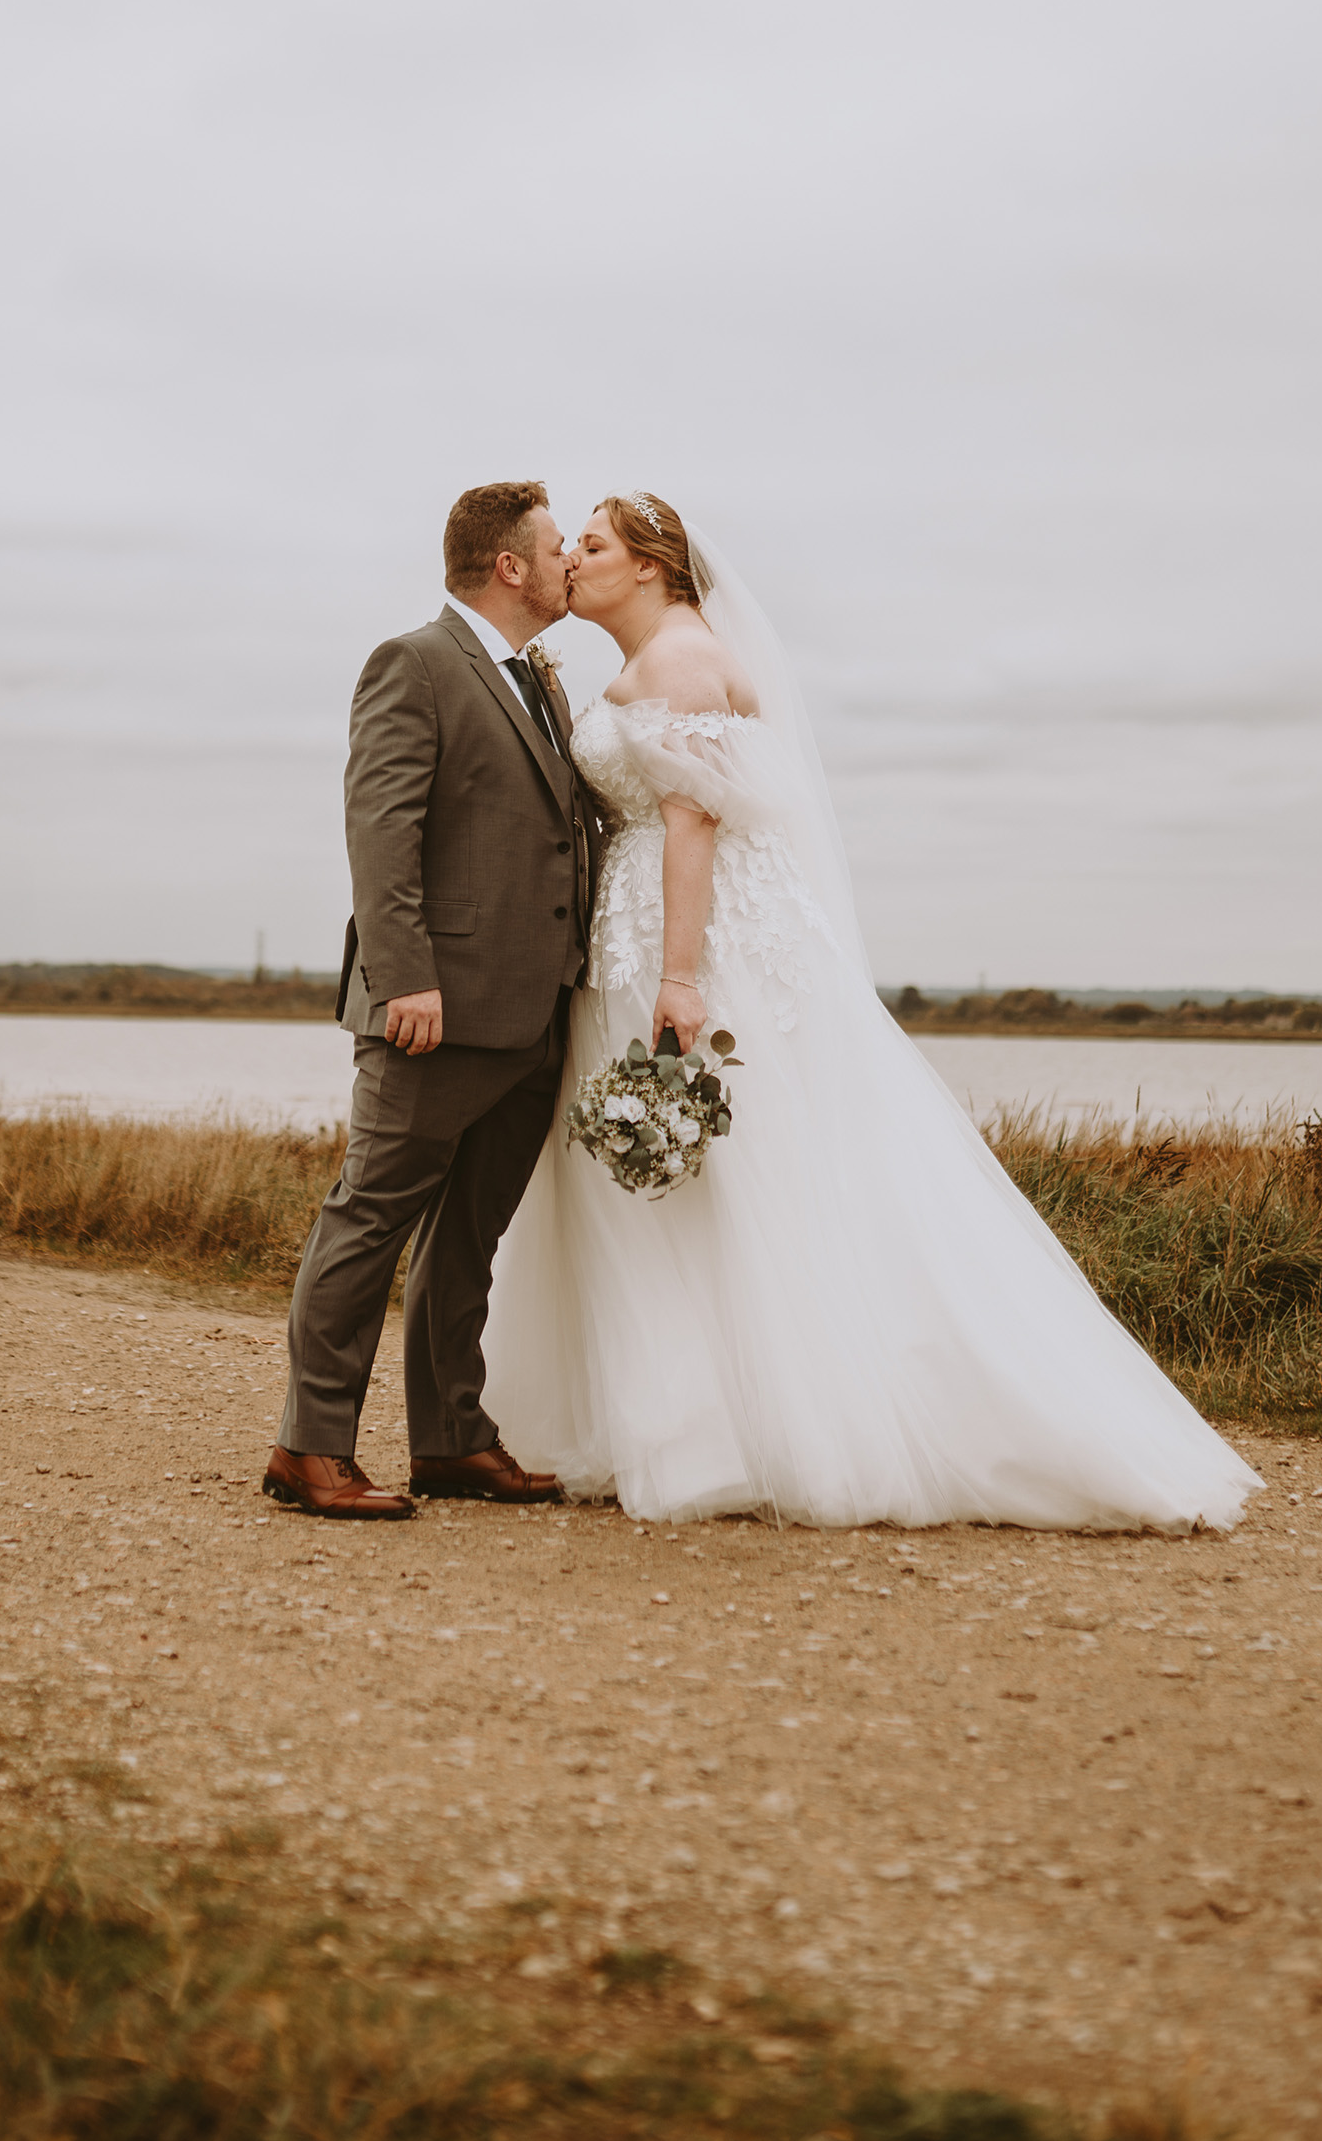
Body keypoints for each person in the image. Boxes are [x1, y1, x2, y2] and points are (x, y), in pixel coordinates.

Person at [481, 493, 1262, 1532]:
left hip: (696, 941)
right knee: (688, 1182)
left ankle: (751, 1426)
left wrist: (677, 978)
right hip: (643, 934)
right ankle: (684, 1416)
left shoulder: (677, 658)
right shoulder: (653, 655)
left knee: (733, 1174)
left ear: (655, 567)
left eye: (592, 544)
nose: (569, 558)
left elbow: (691, 825)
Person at [266, 481, 605, 1520]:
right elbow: (381, 829)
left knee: (469, 1233)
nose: (568, 563)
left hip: (531, 1009)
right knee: (369, 1216)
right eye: (556, 547)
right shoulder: (413, 663)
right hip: (435, 1004)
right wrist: (404, 973)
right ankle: (309, 1445)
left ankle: (450, 1435)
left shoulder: (535, 676)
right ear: (508, 565)